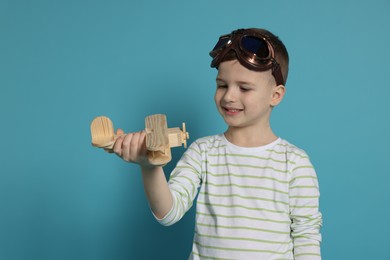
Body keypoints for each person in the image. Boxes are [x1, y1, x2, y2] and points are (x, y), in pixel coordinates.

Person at [112, 28, 322, 259]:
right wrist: (150, 167)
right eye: (222, 85)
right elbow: (168, 213)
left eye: (244, 88)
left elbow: (306, 236)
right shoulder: (203, 152)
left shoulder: (294, 162)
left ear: (276, 95)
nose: (229, 96)